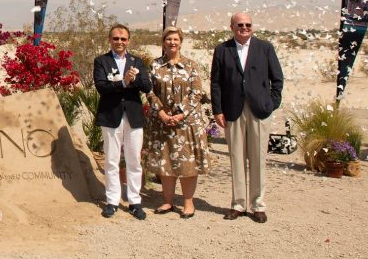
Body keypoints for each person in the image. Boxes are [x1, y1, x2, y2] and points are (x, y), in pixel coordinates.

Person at [210, 12, 284, 223]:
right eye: (240, 24)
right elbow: (215, 83)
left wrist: (272, 103)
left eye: (248, 24)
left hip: (259, 110)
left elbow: (277, 79)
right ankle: (238, 204)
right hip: (232, 110)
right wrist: (218, 110)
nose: (244, 27)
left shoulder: (265, 48)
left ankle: (258, 205)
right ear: (232, 26)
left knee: (258, 159)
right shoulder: (222, 50)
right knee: (236, 158)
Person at [145, 26, 210, 219]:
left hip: (187, 123)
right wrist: (162, 113)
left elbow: (196, 92)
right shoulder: (155, 65)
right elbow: (149, 91)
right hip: (163, 122)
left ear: (180, 41)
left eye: (175, 39)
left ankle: (188, 203)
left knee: (188, 163)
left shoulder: (191, 65)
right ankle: (168, 201)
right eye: (168, 39)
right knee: (166, 161)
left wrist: (180, 114)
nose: (172, 43)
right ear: (163, 43)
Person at [93, 23, 151, 220]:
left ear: (128, 41)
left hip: (133, 115)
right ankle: (112, 201)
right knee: (111, 160)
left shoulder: (137, 61)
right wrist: (124, 82)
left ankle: (135, 201)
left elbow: (146, 85)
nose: (119, 42)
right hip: (111, 115)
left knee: (134, 159)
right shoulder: (101, 61)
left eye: (123, 39)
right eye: (116, 38)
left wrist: (132, 80)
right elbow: (102, 86)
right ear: (110, 40)